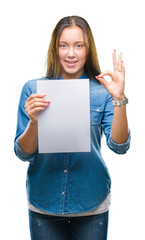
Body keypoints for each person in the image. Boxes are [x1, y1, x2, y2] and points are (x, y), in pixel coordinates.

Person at [14, 16, 131, 240]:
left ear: (88, 49)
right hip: (44, 202)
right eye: (63, 45)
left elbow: (119, 145)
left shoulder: (102, 91)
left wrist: (119, 99)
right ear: (55, 49)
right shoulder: (33, 89)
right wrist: (34, 122)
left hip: (91, 201)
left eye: (79, 45)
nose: (71, 53)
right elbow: (23, 153)